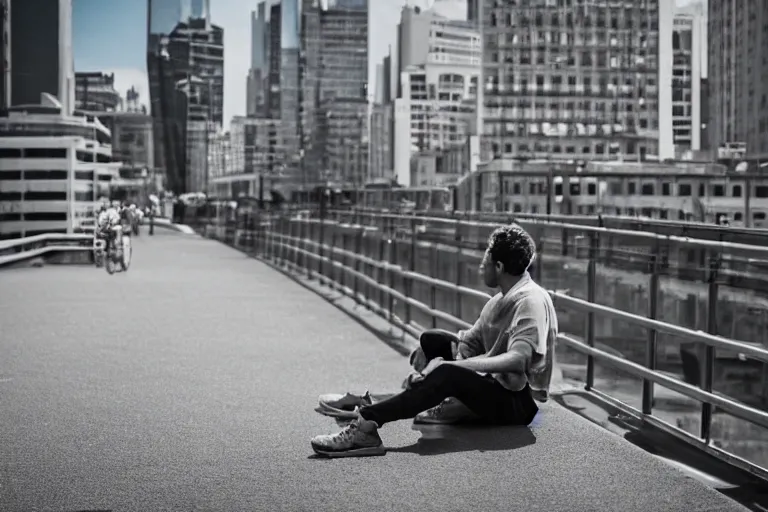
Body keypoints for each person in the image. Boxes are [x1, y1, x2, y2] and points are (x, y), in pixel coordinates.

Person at [310, 223, 558, 458]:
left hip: (515, 404)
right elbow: (470, 343)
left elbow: (519, 358)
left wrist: (451, 369)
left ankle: (367, 422)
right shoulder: (500, 299)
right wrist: (441, 358)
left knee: (448, 374)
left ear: (500, 267)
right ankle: (439, 402)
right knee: (433, 340)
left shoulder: (529, 300)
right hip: (497, 386)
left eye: (486, 259)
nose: (481, 265)